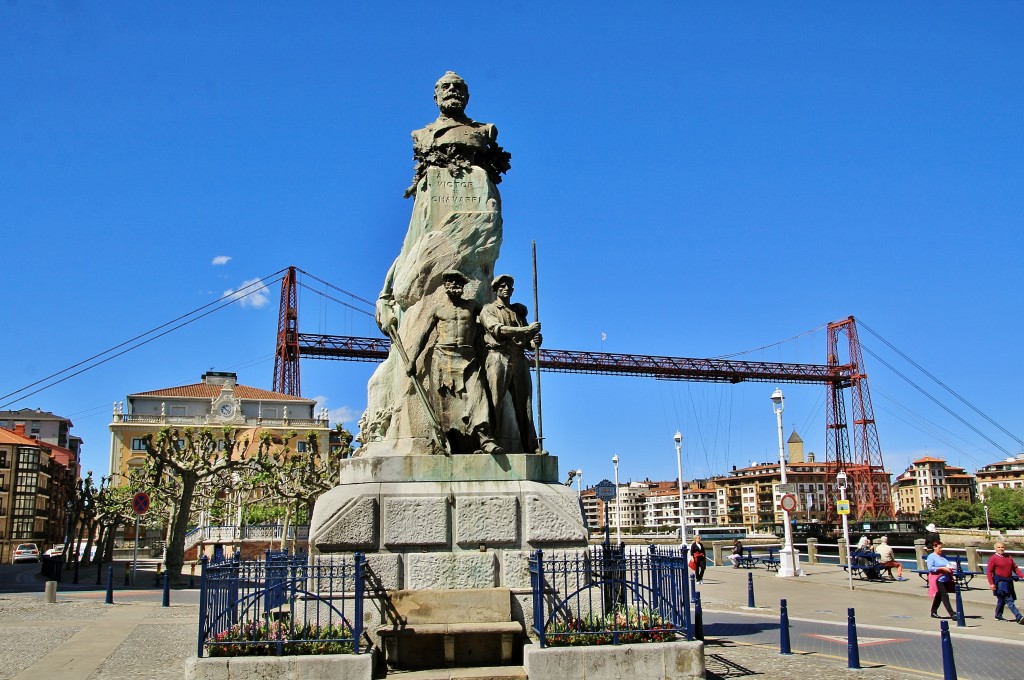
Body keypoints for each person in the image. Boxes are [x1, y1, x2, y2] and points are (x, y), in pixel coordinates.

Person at [406, 270, 502, 455]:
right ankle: (443, 442)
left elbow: (490, 320)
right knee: (443, 404)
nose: (454, 284)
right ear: (445, 285)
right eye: (450, 281)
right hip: (442, 358)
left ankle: (485, 440)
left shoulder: (473, 306)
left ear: (464, 285)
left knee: (478, 396)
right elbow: (423, 336)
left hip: (468, 359)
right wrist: (412, 360)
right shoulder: (438, 310)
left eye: (458, 281)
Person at [479, 274, 542, 453]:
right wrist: (526, 330)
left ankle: (531, 446)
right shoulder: (488, 310)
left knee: (525, 405)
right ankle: (488, 442)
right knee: (495, 401)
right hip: (498, 356)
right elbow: (497, 330)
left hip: (519, 358)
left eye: (509, 286)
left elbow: (528, 342)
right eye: (502, 286)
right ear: (496, 289)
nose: (506, 289)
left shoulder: (518, 312)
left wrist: (535, 340)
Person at [986, 542, 1024, 623]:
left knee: (1002, 600)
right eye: (998, 547)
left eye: (1002, 547)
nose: (1001, 549)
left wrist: (1022, 576)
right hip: (1000, 582)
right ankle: (1019, 616)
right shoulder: (993, 558)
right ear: (995, 549)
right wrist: (991, 584)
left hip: (1009, 581)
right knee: (1008, 599)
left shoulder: (1008, 557)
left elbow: (1015, 568)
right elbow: (989, 572)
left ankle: (998, 615)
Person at [926, 540, 957, 619]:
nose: (941, 550)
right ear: (934, 547)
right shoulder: (931, 556)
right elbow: (930, 568)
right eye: (939, 548)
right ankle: (952, 613)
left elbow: (948, 564)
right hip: (938, 579)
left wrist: (952, 567)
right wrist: (941, 568)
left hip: (945, 578)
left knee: (939, 595)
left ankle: (933, 612)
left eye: (941, 548)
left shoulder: (943, 557)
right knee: (944, 595)